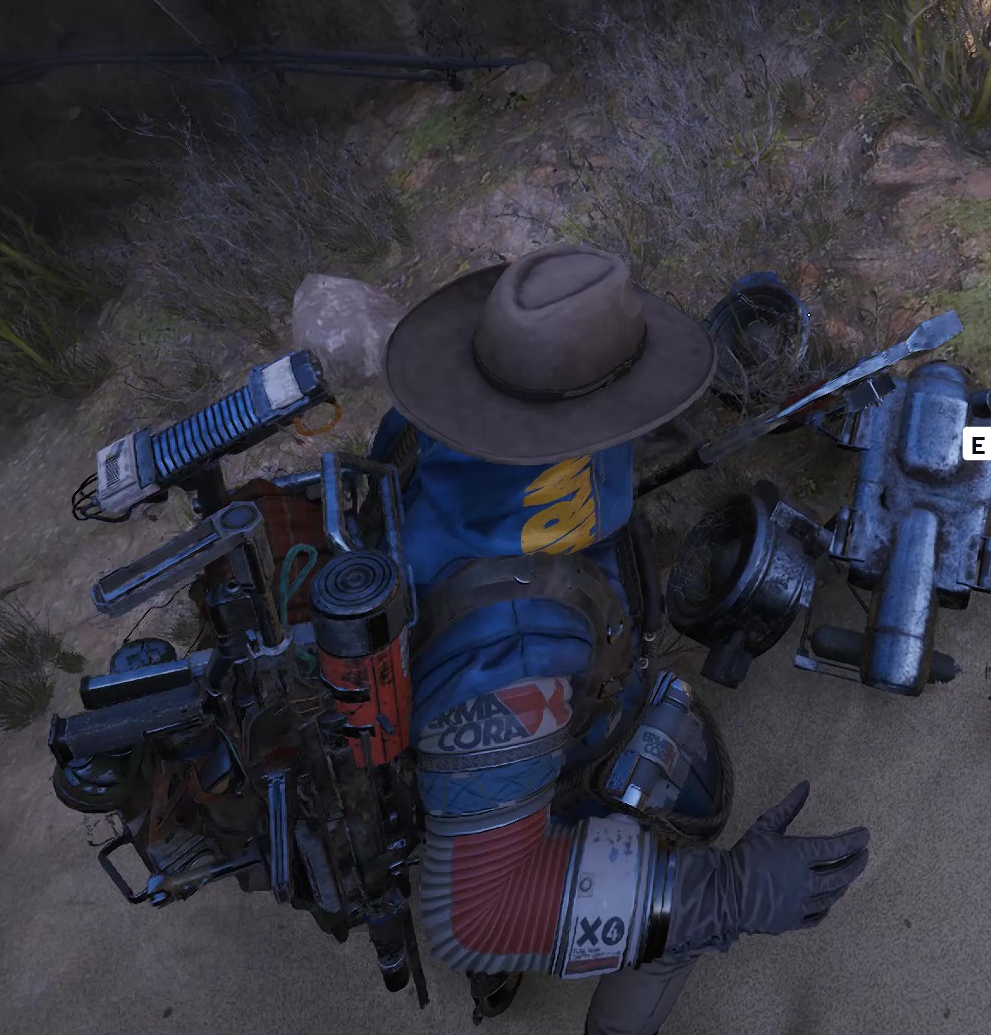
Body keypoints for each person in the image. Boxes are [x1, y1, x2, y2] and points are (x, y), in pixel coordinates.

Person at [373, 244, 872, 1034]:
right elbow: (473, 916)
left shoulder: (430, 420)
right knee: (676, 897)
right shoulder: (517, 652)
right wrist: (725, 893)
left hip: (472, 659)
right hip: (509, 729)